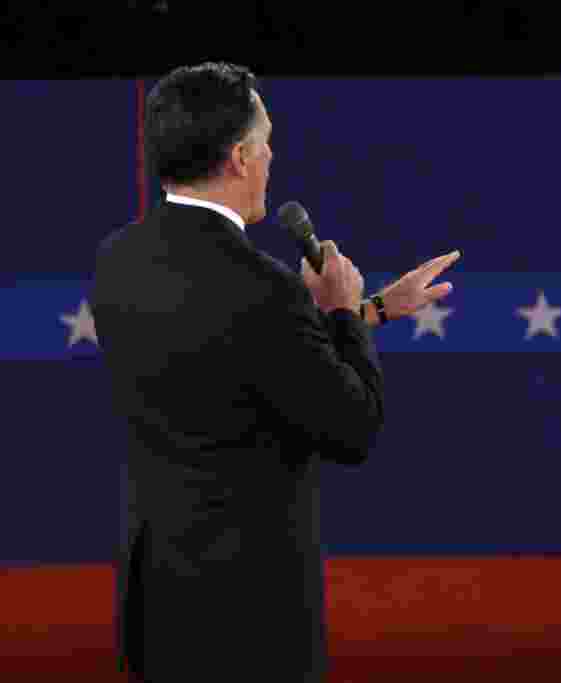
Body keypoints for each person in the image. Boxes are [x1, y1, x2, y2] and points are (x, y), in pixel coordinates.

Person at [91, 62, 459, 682]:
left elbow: (226, 357)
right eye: (265, 142)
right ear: (239, 156)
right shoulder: (260, 287)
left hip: (157, 606)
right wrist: (341, 309)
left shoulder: (119, 259)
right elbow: (354, 426)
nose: (271, 156)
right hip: (249, 621)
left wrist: (371, 312)